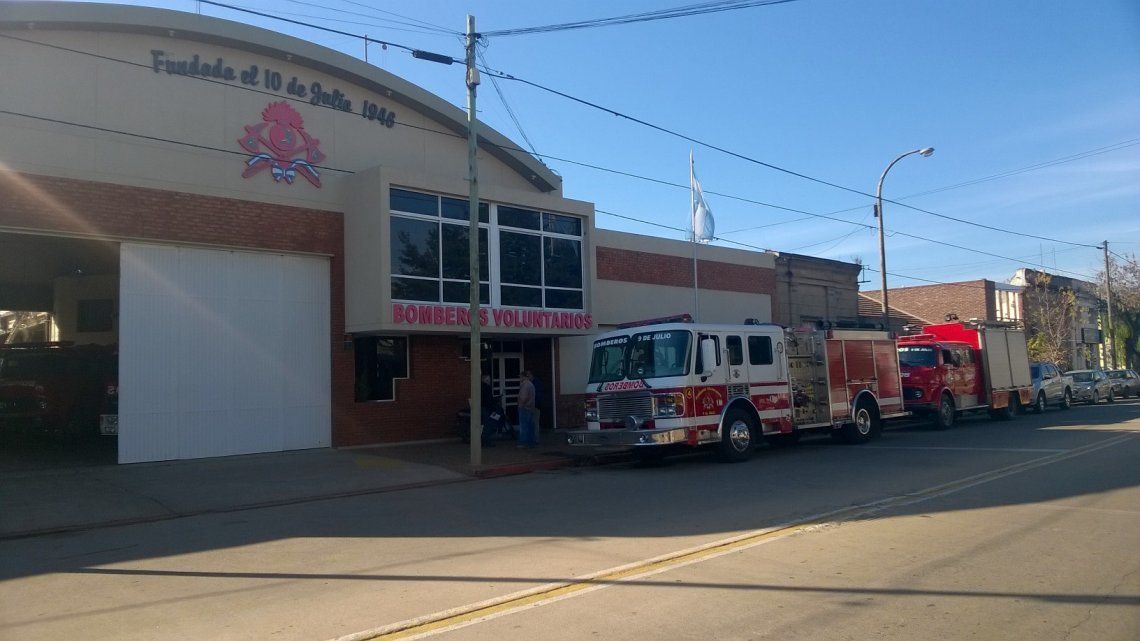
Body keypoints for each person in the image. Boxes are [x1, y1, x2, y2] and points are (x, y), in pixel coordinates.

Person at [516, 370, 538, 448]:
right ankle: (531, 441)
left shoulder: (524, 385)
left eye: (520, 377)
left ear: (523, 376)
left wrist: (520, 405)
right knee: (530, 425)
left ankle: (523, 442)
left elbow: (523, 397)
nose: (519, 378)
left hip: (525, 408)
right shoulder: (531, 385)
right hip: (531, 407)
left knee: (523, 425)